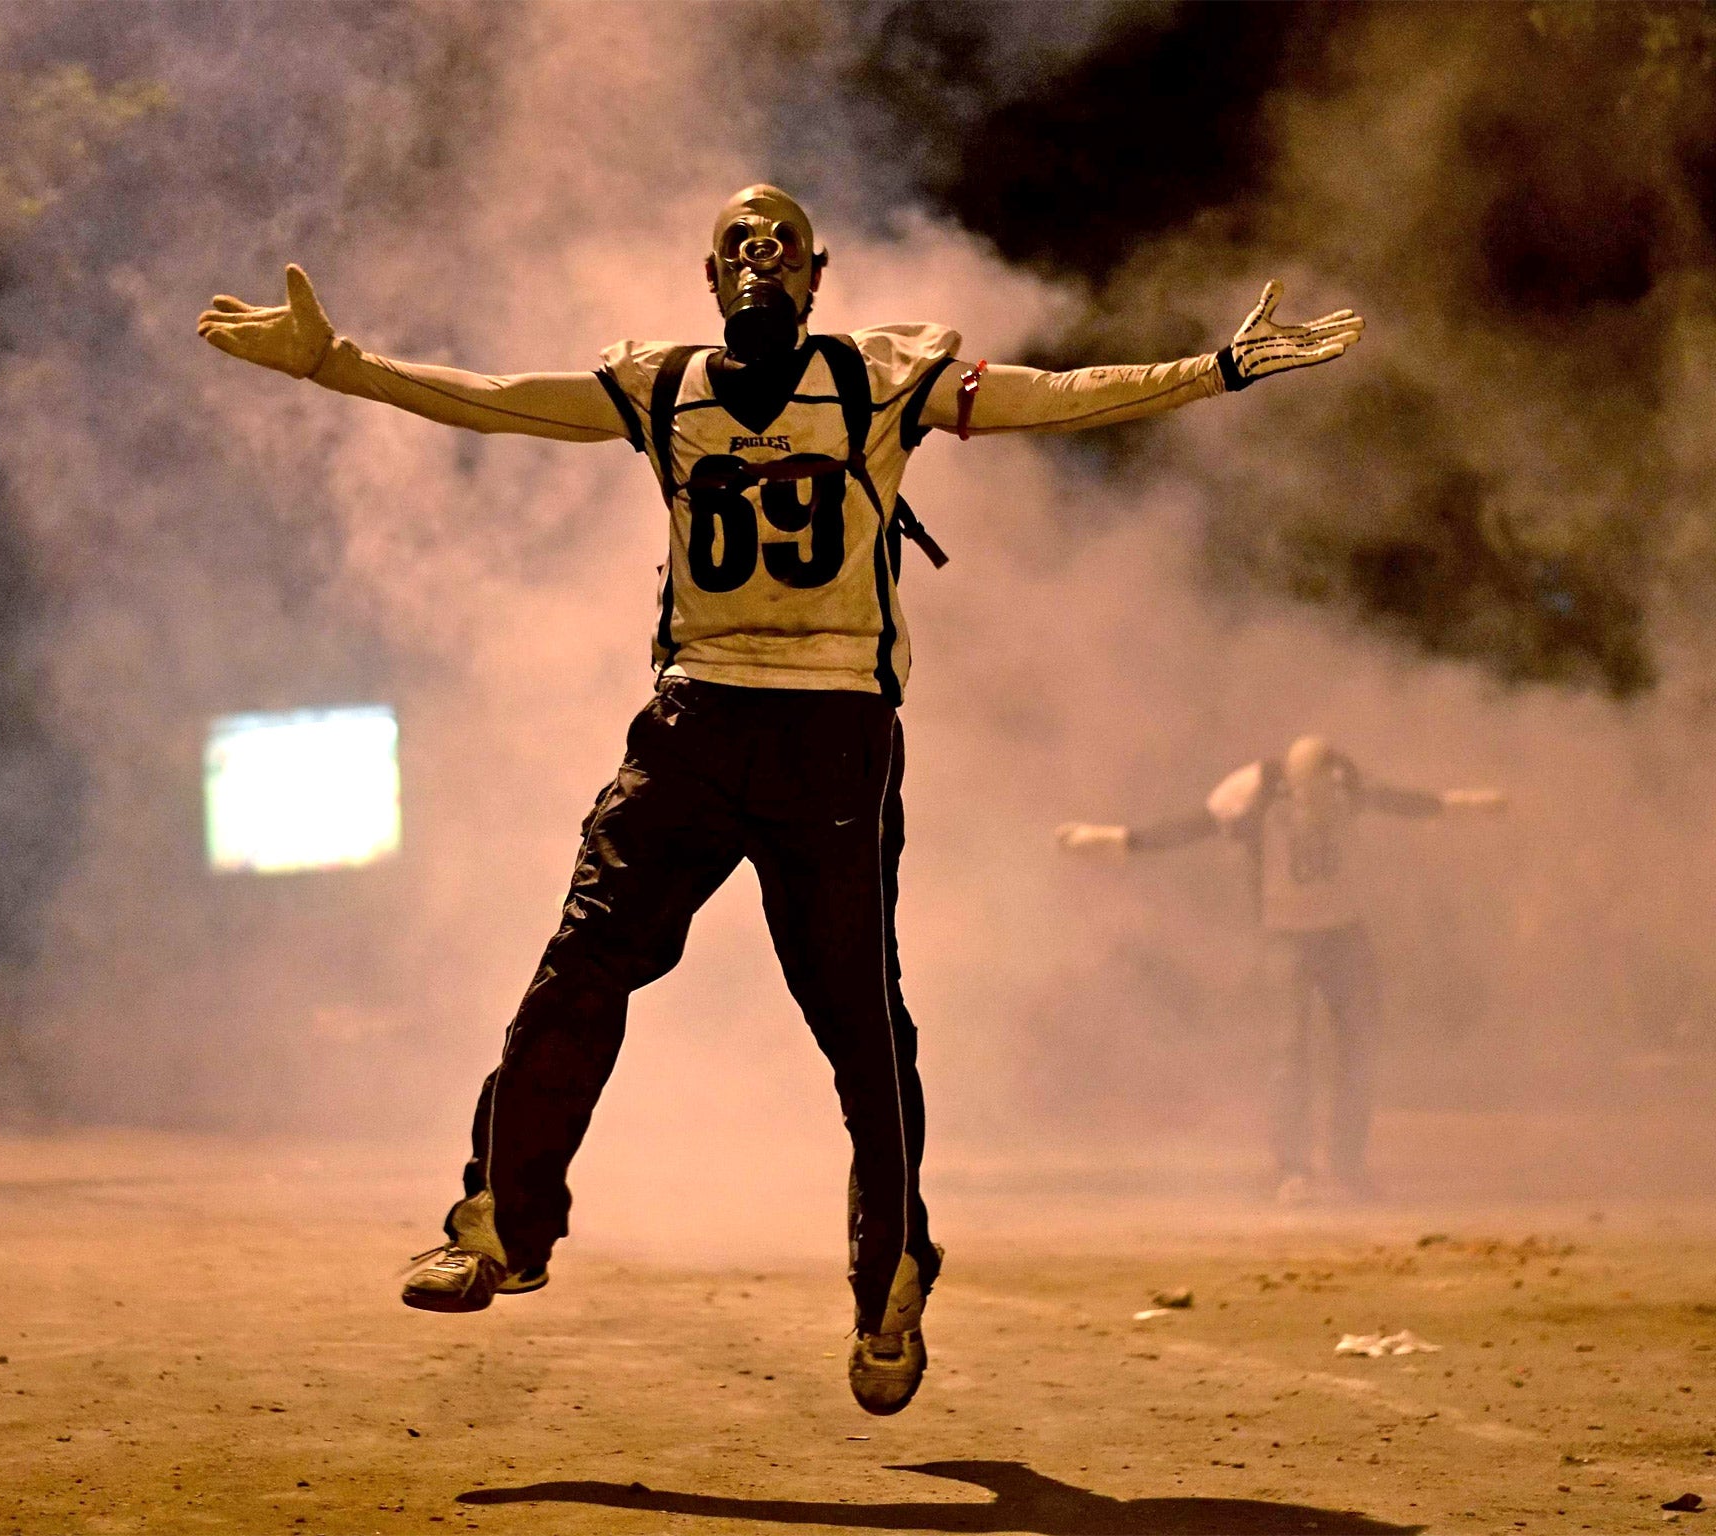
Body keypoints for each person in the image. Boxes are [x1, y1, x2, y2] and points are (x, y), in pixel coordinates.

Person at [199, 185, 1362, 1413]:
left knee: (861, 1025)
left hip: (830, 733)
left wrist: (1213, 369)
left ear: (818, 274)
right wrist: (334, 364)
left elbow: (1048, 397)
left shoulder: (874, 380)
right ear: (707, 279)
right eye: (736, 245)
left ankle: (891, 1275)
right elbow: (494, 402)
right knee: (578, 963)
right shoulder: (661, 388)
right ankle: (497, 1224)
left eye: (781, 244)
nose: (759, 257)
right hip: (694, 722)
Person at [1055, 733, 1504, 1203]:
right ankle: (1294, 1170)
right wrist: (1114, 839)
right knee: (1289, 1053)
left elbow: (1403, 802)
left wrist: (1464, 807)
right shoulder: (1253, 788)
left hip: (1344, 932)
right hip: (1286, 936)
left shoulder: (1350, 781)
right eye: (1309, 798)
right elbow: (1190, 826)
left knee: (1359, 1049)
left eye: (1328, 798)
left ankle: (1348, 1166)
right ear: (1290, 787)